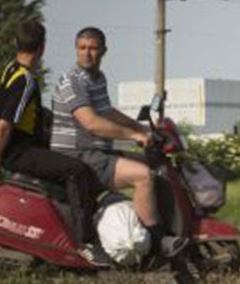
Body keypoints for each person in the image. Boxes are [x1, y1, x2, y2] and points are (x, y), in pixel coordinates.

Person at [0, 18, 105, 260]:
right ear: (42, 48)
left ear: (18, 44)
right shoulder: (25, 80)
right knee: (77, 171)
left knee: (75, 160)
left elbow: (28, 114)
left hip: (23, 147)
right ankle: (86, 244)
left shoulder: (11, 69)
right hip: (20, 152)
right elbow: (3, 127)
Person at [51, 26, 164, 239]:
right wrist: (134, 135)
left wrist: (142, 128)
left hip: (96, 153)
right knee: (143, 176)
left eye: (93, 48)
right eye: (82, 48)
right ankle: (155, 242)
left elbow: (107, 112)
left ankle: (156, 225)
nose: (87, 53)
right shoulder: (73, 81)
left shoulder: (96, 78)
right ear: (76, 50)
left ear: (103, 51)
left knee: (153, 166)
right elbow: (92, 123)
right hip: (79, 154)